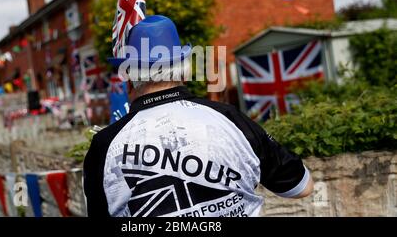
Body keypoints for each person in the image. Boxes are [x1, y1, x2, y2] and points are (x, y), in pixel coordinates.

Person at [83, 15, 313, 217]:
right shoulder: (229, 118)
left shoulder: (105, 144)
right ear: (184, 69)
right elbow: (301, 186)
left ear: (130, 79)